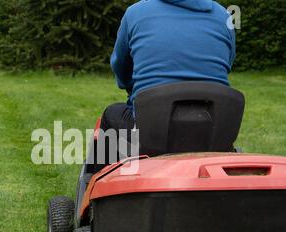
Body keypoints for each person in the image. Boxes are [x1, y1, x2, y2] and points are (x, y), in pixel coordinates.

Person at [100, 0, 236, 139]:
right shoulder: (225, 16)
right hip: (215, 130)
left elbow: (121, 70)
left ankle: (114, 160)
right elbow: (227, 64)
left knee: (111, 114)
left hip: (150, 131)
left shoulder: (135, 14)